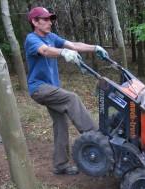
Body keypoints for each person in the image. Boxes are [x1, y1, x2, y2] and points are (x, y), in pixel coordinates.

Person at [24, 7, 108, 175]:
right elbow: (45, 51)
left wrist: (95, 47)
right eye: (45, 19)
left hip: (52, 88)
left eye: (50, 19)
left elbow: (74, 45)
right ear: (34, 22)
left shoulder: (51, 37)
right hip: (39, 88)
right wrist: (63, 52)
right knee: (72, 98)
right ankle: (97, 137)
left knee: (61, 124)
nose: (49, 22)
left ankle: (60, 165)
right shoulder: (32, 39)